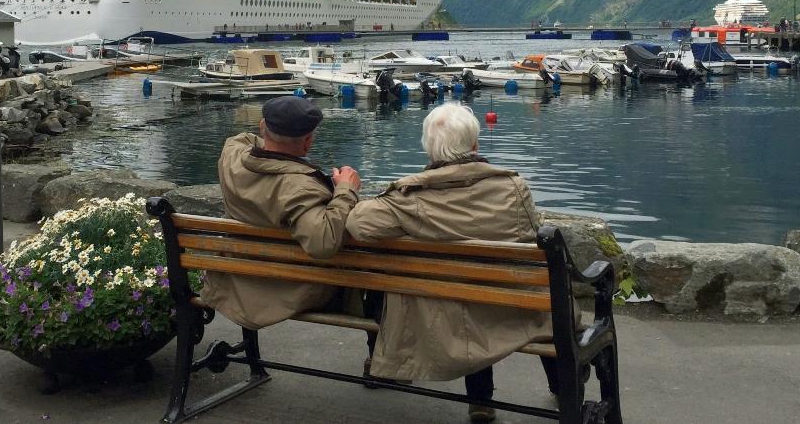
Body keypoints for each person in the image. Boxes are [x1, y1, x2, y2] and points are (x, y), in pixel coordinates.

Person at [346, 103, 558, 423]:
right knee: (494, 292)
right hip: (511, 307)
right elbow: (528, 235)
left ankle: (384, 365)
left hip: (437, 315)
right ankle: (551, 386)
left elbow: (359, 226)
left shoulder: (409, 198)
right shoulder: (515, 188)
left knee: (437, 289)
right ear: (475, 145)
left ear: (429, 149)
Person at [200, 96, 362, 330]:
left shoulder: (231, 156)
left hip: (235, 280)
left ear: (262, 127)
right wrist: (346, 190)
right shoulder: (301, 188)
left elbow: (245, 139)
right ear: (308, 142)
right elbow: (323, 243)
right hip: (284, 291)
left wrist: (273, 141)